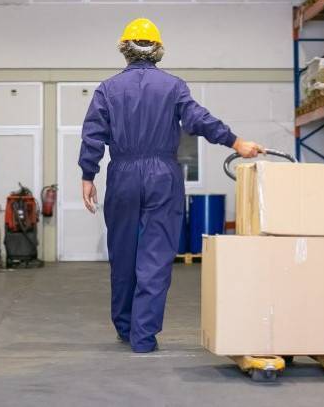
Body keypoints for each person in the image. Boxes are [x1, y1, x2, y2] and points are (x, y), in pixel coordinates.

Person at [78, 18, 263, 353]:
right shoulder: (174, 87)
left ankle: (125, 327)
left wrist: (88, 175)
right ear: (158, 50)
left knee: (123, 253)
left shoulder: (107, 89)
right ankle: (143, 337)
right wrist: (235, 142)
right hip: (162, 176)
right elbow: (198, 119)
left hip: (122, 175)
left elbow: (93, 135)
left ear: (124, 49)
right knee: (156, 256)